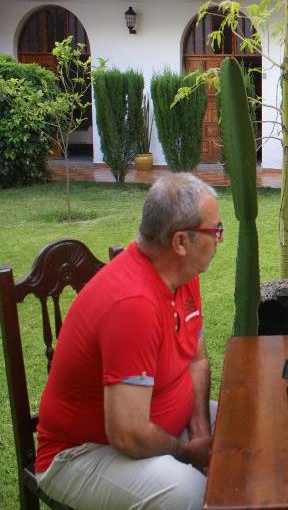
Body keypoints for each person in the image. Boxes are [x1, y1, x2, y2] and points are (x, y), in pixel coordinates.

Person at [35, 172, 223, 509]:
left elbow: (196, 360)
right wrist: (185, 452)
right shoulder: (133, 304)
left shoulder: (183, 274)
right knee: (190, 493)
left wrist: (200, 434)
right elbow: (127, 433)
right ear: (181, 242)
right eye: (215, 231)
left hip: (163, 431)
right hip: (82, 453)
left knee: (246, 430)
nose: (219, 239)